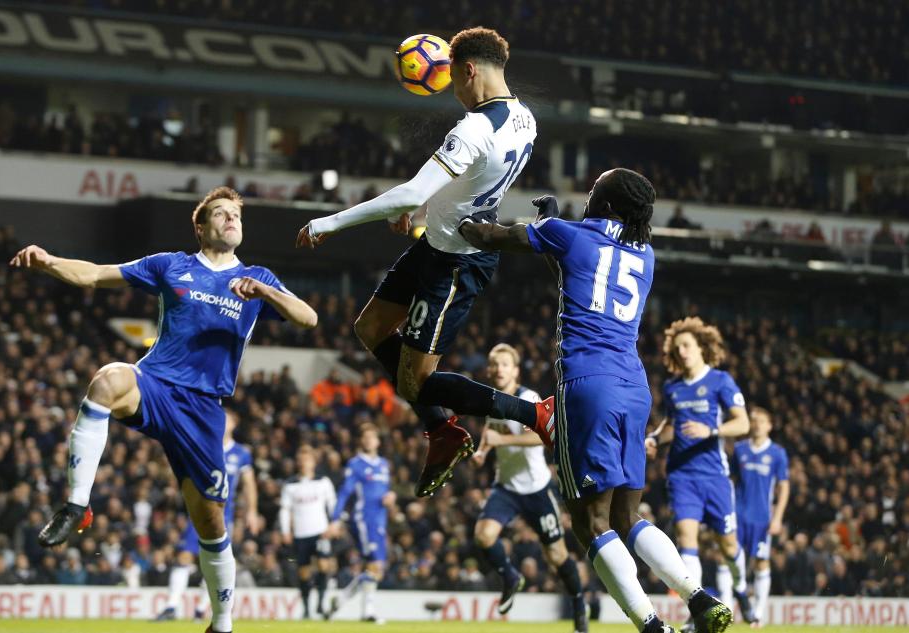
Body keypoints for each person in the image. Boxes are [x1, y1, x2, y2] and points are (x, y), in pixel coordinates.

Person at [11, 186, 317, 633]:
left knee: (210, 524)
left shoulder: (258, 276)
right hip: (155, 385)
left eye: (236, 215)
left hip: (203, 410)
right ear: (200, 226)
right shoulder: (171, 265)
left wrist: (267, 295)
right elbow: (96, 275)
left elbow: (307, 318)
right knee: (108, 379)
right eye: (220, 213)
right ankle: (76, 505)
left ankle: (223, 623)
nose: (231, 220)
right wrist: (49, 262)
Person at [460, 168, 733, 633]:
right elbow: (578, 273)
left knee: (590, 524)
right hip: (633, 387)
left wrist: (457, 214)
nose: (586, 198)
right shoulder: (645, 254)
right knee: (629, 515)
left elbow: (489, 235)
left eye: (592, 193)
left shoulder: (567, 234)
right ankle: (700, 598)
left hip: (587, 387)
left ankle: (650, 626)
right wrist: (554, 229)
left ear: (604, 204)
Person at [296, 27, 552, 497]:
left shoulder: (474, 127)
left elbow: (415, 187)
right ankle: (443, 431)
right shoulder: (525, 119)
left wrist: (329, 222)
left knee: (416, 384)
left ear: (469, 70)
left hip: (455, 265)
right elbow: (472, 184)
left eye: (454, 80)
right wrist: (420, 211)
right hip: (436, 243)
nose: (453, 91)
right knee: (370, 328)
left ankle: (534, 413)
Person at [646, 316, 755, 627]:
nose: (682, 352)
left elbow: (743, 423)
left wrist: (711, 430)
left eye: (687, 345)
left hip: (715, 478)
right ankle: (697, 612)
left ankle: (742, 590)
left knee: (728, 545)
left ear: (701, 348)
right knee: (686, 540)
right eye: (677, 347)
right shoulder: (672, 388)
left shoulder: (720, 381)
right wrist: (654, 438)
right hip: (682, 475)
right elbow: (672, 426)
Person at [471, 343, 587, 632]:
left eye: (504, 364)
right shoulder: (491, 399)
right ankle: (510, 576)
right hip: (507, 488)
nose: (498, 369)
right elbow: (491, 429)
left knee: (556, 556)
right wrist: (482, 451)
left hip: (536, 489)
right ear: (489, 369)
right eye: (494, 364)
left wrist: (502, 442)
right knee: (483, 536)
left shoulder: (528, 399)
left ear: (516, 370)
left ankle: (578, 604)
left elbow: (542, 437)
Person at [156, 410, 258, 622]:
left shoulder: (241, 453)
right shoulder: (202, 444)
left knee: (211, 561)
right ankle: (171, 607)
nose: (222, 420)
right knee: (184, 556)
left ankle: (201, 609)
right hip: (196, 510)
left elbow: (249, 484)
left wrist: (252, 512)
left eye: (228, 418)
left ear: (234, 425)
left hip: (223, 515)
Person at [325, 423, 394, 623]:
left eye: (372, 437)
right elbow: (345, 492)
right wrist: (335, 519)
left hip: (380, 520)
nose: (368, 440)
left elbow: (384, 491)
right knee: (375, 564)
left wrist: (390, 497)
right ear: (361, 442)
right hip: (365, 519)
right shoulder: (356, 464)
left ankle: (340, 600)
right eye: (365, 438)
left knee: (374, 569)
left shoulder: (383, 465)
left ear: (378, 441)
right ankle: (368, 612)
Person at [732, 408, 789, 628]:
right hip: (738, 516)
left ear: (769, 425)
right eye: (753, 420)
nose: (756, 425)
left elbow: (784, 487)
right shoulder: (739, 449)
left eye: (761, 421)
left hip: (762, 518)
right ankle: (729, 604)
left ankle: (758, 613)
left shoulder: (777, 453)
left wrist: (777, 518)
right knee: (730, 558)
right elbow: (731, 481)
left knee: (761, 562)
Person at [279, 445, 337, 620]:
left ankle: (320, 603)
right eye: (301, 460)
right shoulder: (290, 485)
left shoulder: (323, 481)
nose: (304, 463)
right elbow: (285, 509)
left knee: (323, 565)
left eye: (307, 459)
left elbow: (333, 504)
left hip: (320, 531)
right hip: (301, 533)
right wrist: (285, 531)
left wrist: (334, 524)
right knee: (303, 572)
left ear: (313, 462)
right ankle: (306, 609)